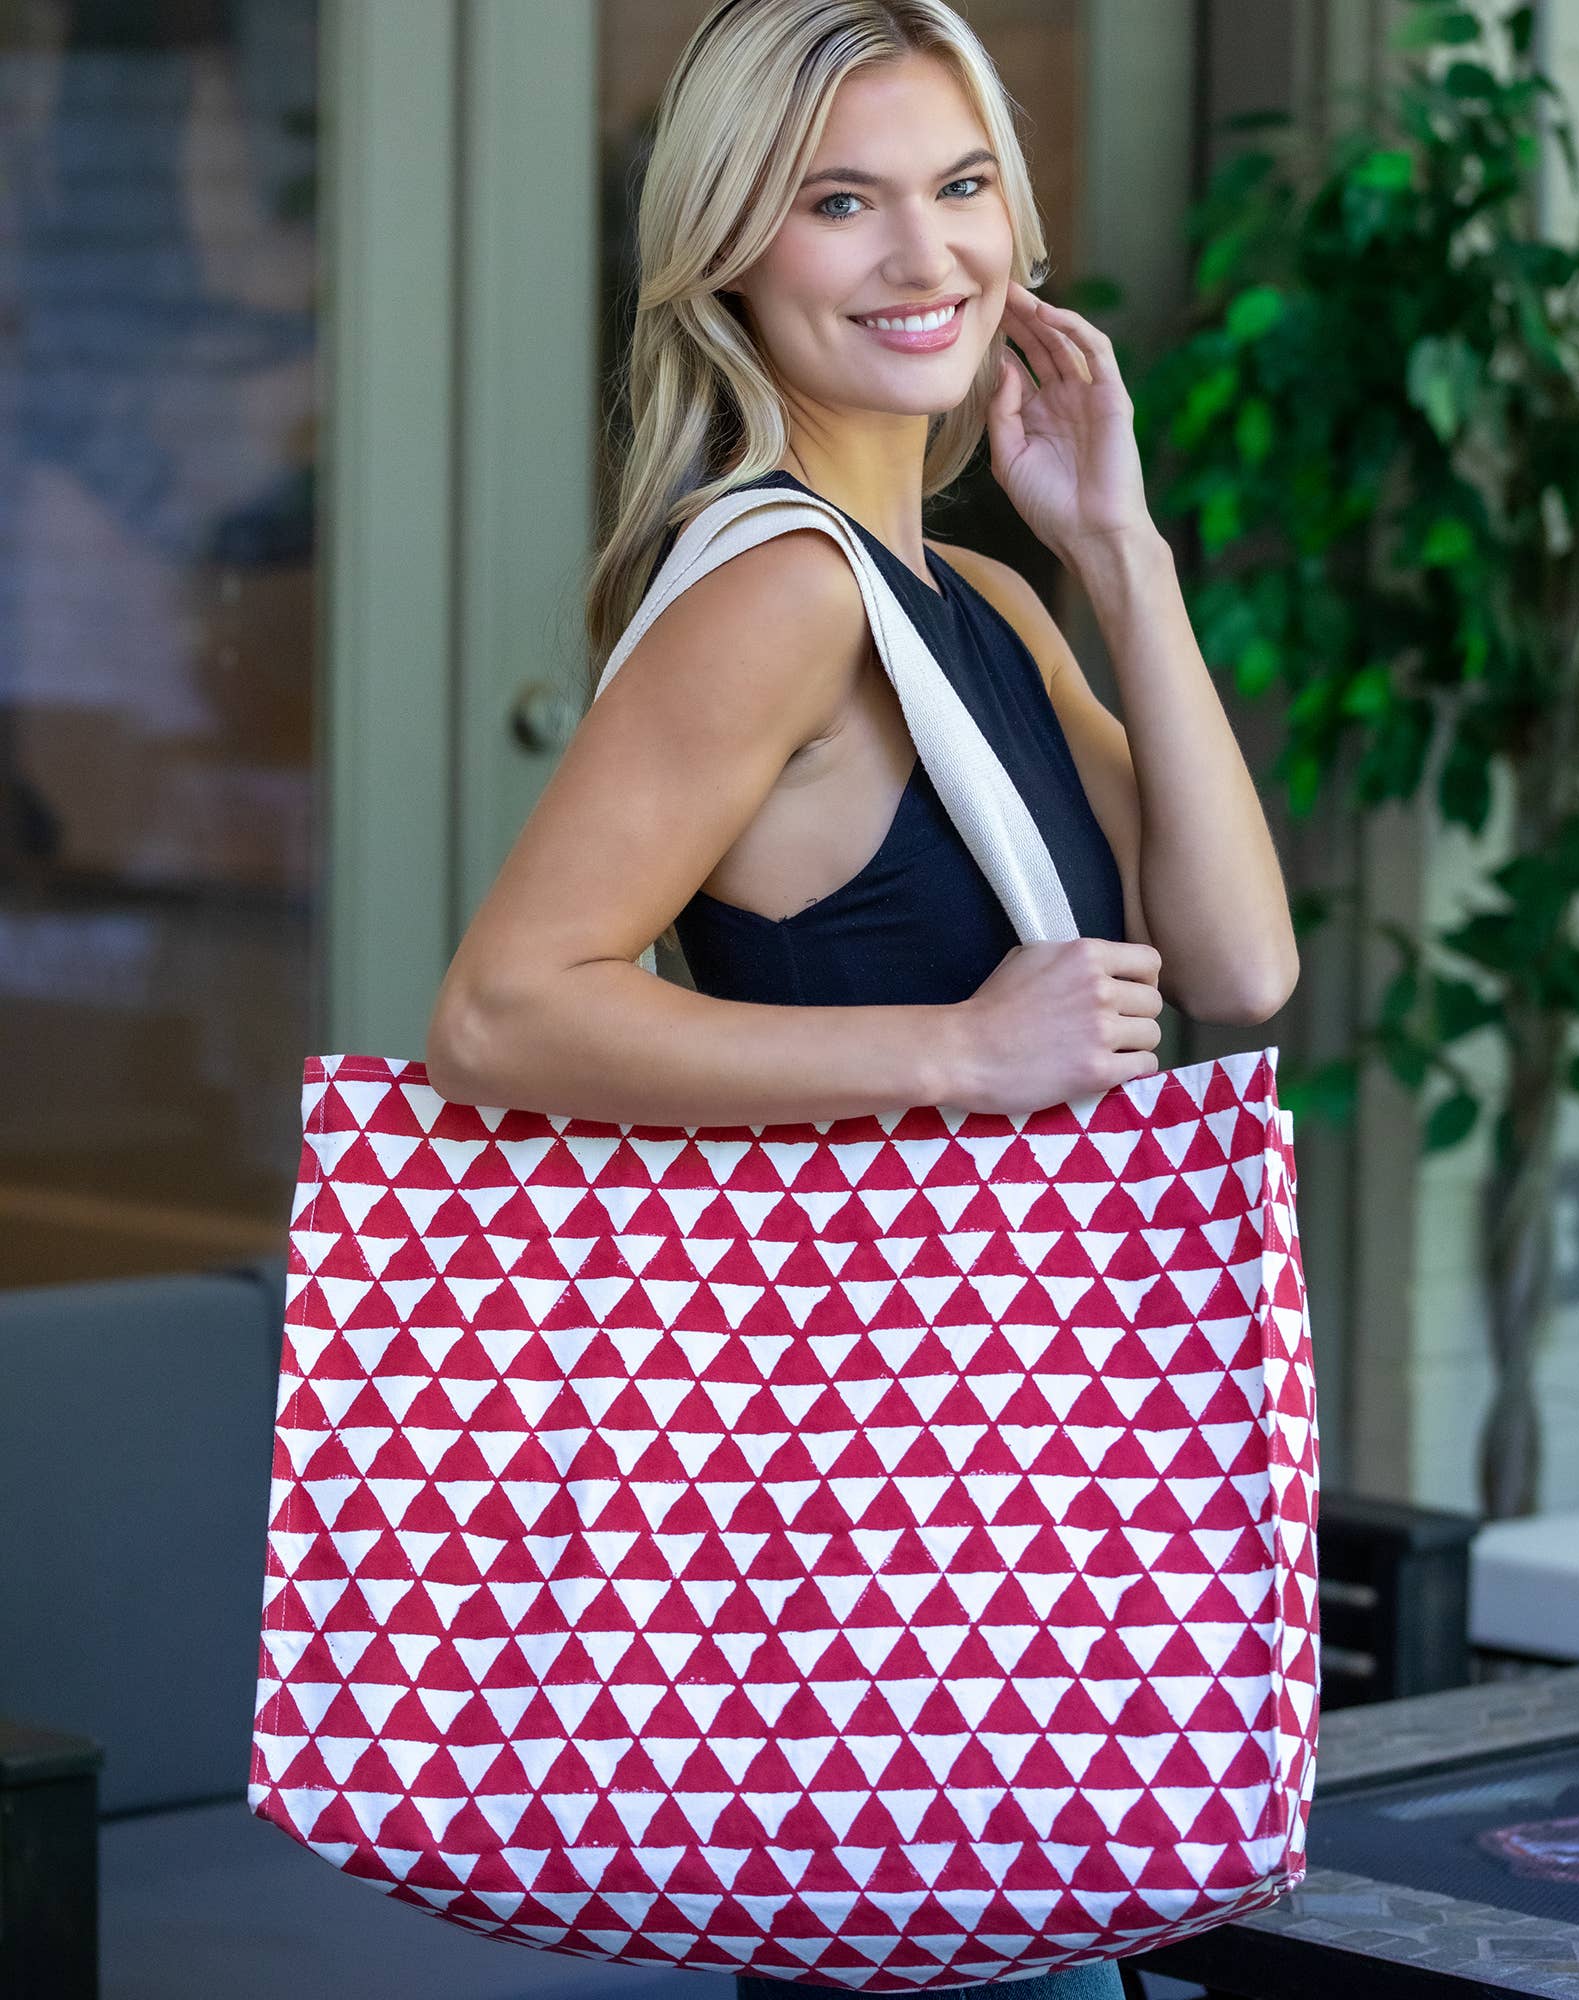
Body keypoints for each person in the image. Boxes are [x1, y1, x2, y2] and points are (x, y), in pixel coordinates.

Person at [424, 3, 1299, 1995]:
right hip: (887, 1538)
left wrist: (1117, 549)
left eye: (961, 185)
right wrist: (965, 1051)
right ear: (734, 251)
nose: (928, 257)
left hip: (990, 1538)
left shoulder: (971, 603)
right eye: (843, 202)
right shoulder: (776, 592)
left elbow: (1238, 963)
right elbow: (498, 1014)